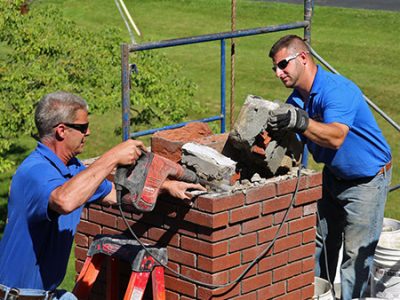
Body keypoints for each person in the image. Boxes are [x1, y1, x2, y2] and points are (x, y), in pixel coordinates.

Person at [0, 91, 205, 300]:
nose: (88, 132)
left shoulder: (72, 169)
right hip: (16, 295)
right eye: (82, 127)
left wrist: (165, 187)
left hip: (50, 294)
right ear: (61, 130)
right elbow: (65, 201)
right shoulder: (36, 171)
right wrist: (112, 157)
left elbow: (114, 196)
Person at [266, 35, 392, 300]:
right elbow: (291, 145)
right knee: (320, 245)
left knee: (355, 258)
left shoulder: (337, 90)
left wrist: (301, 123)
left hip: (366, 182)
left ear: (303, 58)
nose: (278, 73)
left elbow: (335, 137)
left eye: (283, 65)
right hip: (333, 176)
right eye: (275, 68)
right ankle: (318, 295)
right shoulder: (296, 101)